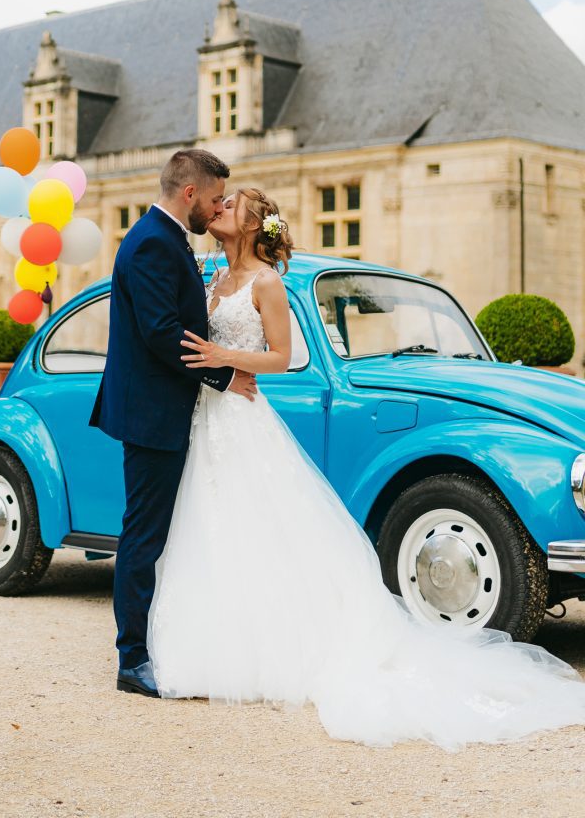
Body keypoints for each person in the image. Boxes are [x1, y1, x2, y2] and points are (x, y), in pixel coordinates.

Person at [147, 188, 585, 749]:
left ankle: (266, 647)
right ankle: (209, 646)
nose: (219, 209)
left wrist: (225, 358)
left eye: (231, 205)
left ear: (257, 224)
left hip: (241, 405)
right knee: (211, 528)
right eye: (219, 202)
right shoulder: (208, 275)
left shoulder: (269, 282)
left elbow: (280, 357)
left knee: (255, 526)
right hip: (209, 412)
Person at [89, 149, 257, 698]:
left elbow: (181, 318)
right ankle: (131, 660)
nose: (216, 211)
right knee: (144, 535)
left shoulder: (168, 239)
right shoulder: (151, 244)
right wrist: (225, 378)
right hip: (152, 413)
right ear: (189, 194)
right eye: (212, 200)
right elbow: (164, 333)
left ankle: (161, 643)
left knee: (167, 532)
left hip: (169, 409)